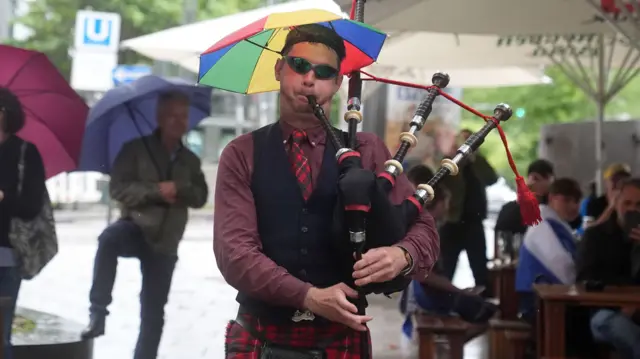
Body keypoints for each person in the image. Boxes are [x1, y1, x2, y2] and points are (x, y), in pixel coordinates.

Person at [214, 24, 439, 358]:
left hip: (340, 338)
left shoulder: (368, 150)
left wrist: (402, 256)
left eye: (324, 72)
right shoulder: (242, 153)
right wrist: (307, 296)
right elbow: (235, 253)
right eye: (299, 65)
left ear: (337, 83)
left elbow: (424, 228)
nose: (309, 79)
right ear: (279, 69)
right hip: (260, 335)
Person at [81, 91, 209, 359]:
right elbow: (119, 188)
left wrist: (180, 187)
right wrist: (155, 191)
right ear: (160, 117)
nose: (178, 121)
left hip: (166, 240)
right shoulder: (135, 149)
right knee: (108, 239)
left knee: (153, 314)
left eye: (183, 116)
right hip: (136, 227)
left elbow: (200, 196)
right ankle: (98, 312)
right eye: (172, 115)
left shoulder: (189, 159)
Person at [400, 165, 497, 340]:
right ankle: (454, 341)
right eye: (447, 202)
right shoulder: (426, 231)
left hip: (431, 297)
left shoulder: (428, 228)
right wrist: (459, 290)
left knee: (481, 306)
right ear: (438, 202)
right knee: (489, 312)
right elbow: (426, 275)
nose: (449, 208)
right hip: (429, 301)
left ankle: (452, 341)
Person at [0, 88, 46, 359]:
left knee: (1, 337)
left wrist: (3, 197)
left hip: (7, 257)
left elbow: (31, 206)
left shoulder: (25, 153)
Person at [577, 178, 640, 358]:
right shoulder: (595, 236)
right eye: (627, 203)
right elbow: (584, 279)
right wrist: (623, 302)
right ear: (616, 203)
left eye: (638, 204)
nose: (632, 209)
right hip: (605, 310)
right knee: (623, 330)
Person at [439, 129, 498, 292]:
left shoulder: (478, 162)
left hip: (474, 221)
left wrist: (475, 158)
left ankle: (484, 299)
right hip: (453, 220)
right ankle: (442, 299)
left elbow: (492, 178)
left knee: (480, 266)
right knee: (446, 264)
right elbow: (443, 182)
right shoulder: (450, 161)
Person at [515, 178, 582, 321]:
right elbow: (562, 265)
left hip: (551, 296)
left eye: (576, 201)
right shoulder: (542, 223)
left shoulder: (557, 224)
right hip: (536, 301)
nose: (572, 206)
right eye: (567, 200)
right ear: (552, 198)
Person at [495, 159, 555, 237]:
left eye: (546, 178)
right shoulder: (511, 210)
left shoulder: (553, 210)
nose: (541, 184)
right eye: (536, 179)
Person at [584, 163, 631, 228]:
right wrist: (610, 208)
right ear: (606, 182)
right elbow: (588, 229)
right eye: (615, 179)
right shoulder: (594, 203)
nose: (619, 182)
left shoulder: (632, 202)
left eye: (624, 178)